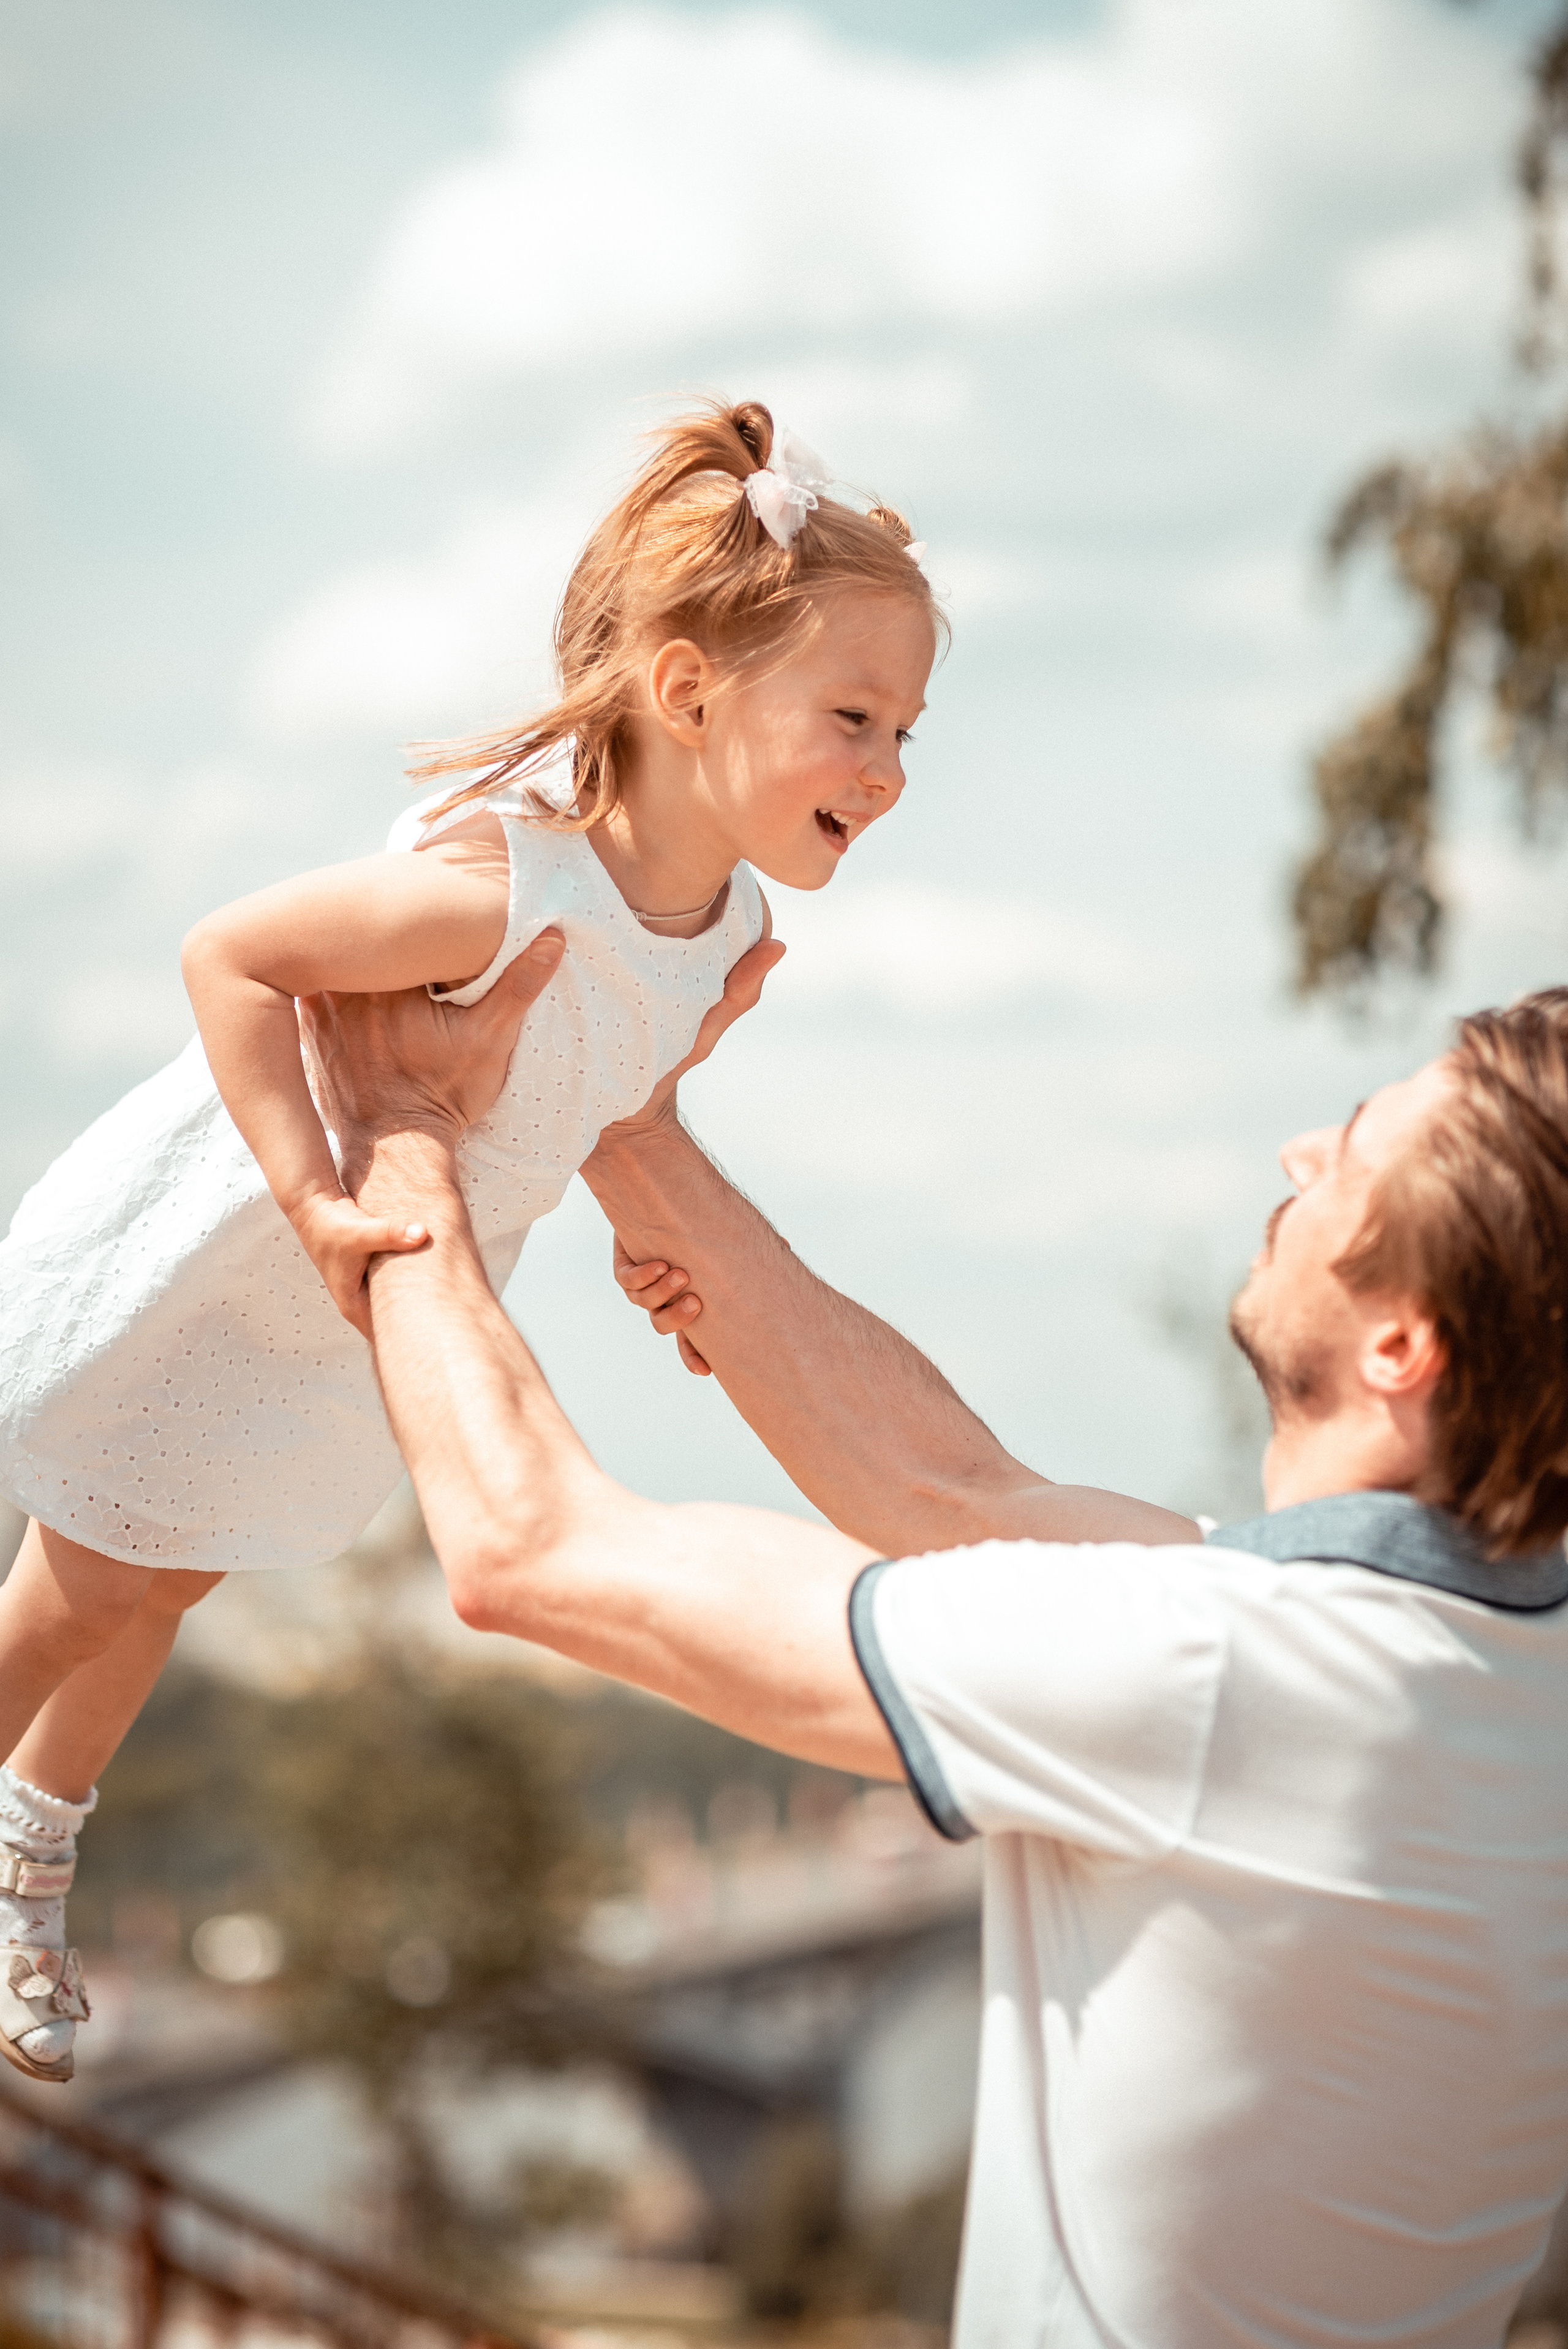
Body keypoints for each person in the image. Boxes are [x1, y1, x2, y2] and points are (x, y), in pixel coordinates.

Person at [303, 945, 1568, 2349]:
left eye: (1343, 1162)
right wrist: (618, 1109)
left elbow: (529, 1547)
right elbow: (949, 1497)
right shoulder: (1487, 1662)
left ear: (1403, 1344)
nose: (1294, 1149)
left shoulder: (1214, 1676)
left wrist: (400, 1133)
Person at [0, 399, 939, 2081]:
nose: (884, 769)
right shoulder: (507, 887)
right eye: (856, 716)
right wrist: (311, 1195)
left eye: (907, 734)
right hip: (263, 1253)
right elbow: (231, 956)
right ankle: (24, 1857)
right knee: (90, 1586)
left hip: (369, 1298)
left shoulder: (718, 926)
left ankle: (28, 1855)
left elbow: (589, 1095)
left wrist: (655, 1245)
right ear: (687, 691)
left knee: (163, 1576)